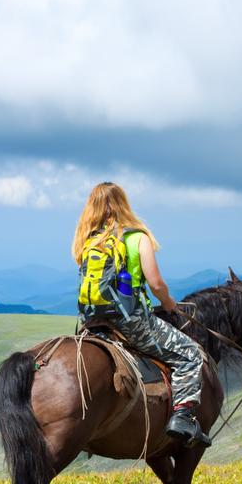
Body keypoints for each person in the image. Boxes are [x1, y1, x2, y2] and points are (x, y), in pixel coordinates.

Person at [72, 181, 210, 447]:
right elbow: (156, 284)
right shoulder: (137, 237)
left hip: (93, 322)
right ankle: (183, 418)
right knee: (190, 354)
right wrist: (168, 303)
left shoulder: (88, 241)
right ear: (123, 203)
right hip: (130, 321)